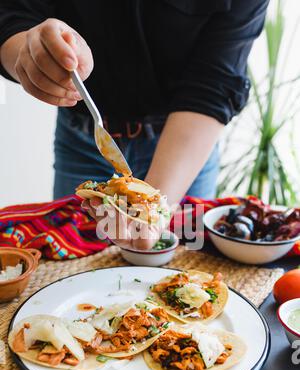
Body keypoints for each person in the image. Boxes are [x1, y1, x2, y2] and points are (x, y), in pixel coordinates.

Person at [0, 0, 269, 248]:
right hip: (82, 138)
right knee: (68, 256)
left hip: (184, 147)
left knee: (188, 269)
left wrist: (150, 210)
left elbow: (214, 85)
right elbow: (11, 15)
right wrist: (29, 54)